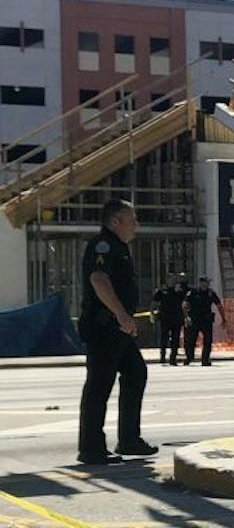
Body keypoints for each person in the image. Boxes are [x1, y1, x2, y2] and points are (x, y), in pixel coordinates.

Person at [77, 198, 156, 464]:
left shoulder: (118, 247)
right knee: (99, 385)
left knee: (136, 373)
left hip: (117, 327)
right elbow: (98, 279)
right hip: (104, 326)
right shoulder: (103, 245)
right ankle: (91, 448)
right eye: (131, 220)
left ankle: (129, 440)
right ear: (115, 221)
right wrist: (121, 314)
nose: (136, 225)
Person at [182, 276, 226, 366]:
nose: (207, 284)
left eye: (208, 282)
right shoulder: (193, 292)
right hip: (194, 319)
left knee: (208, 341)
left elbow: (219, 305)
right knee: (191, 340)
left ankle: (205, 359)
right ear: (201, 283)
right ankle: (189, 358)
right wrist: (186, 317)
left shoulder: (211, 293)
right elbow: (184, 305)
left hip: (206, 320)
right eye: (206, 282)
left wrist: (223, 318)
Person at [151, 271, 185, 365]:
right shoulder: (161, 291)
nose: (172, 281)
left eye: (174, 279)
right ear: (167, 280)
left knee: (175, 339)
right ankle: (162, 357)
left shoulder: (179, 292)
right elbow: (154, 303)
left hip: (176, 318)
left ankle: (173, 358)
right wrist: (152, 314)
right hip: (165, 318)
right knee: (164, 339)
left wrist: (185, 316)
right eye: (170, 279)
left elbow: (184, 304)